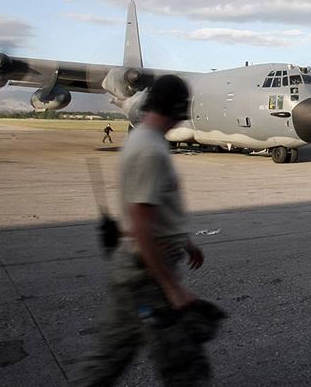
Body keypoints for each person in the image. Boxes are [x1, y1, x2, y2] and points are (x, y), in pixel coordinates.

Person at [77, 75, 211, 386]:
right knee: (184, 365)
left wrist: (185, 242)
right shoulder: (150, 150)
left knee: (109, 357)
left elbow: (155, 210)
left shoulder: (144, 139)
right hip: (147, 274)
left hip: (136, 268)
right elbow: (141, 226)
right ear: (176, 107)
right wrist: (172, 288)